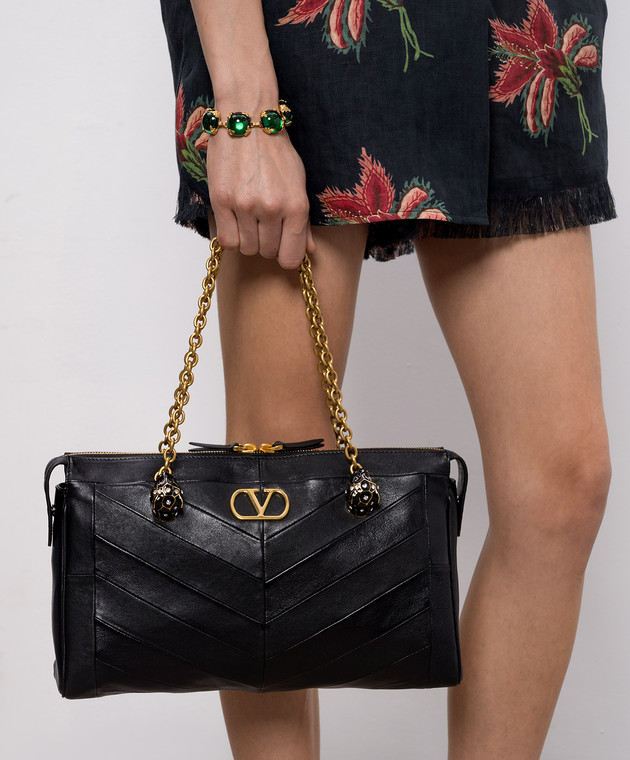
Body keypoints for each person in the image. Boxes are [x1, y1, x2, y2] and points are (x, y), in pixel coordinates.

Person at [160, 1, 616, 758]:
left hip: (508, 21)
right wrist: (247, 113)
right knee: (273, 510)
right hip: (293, 38)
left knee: (562, 484)